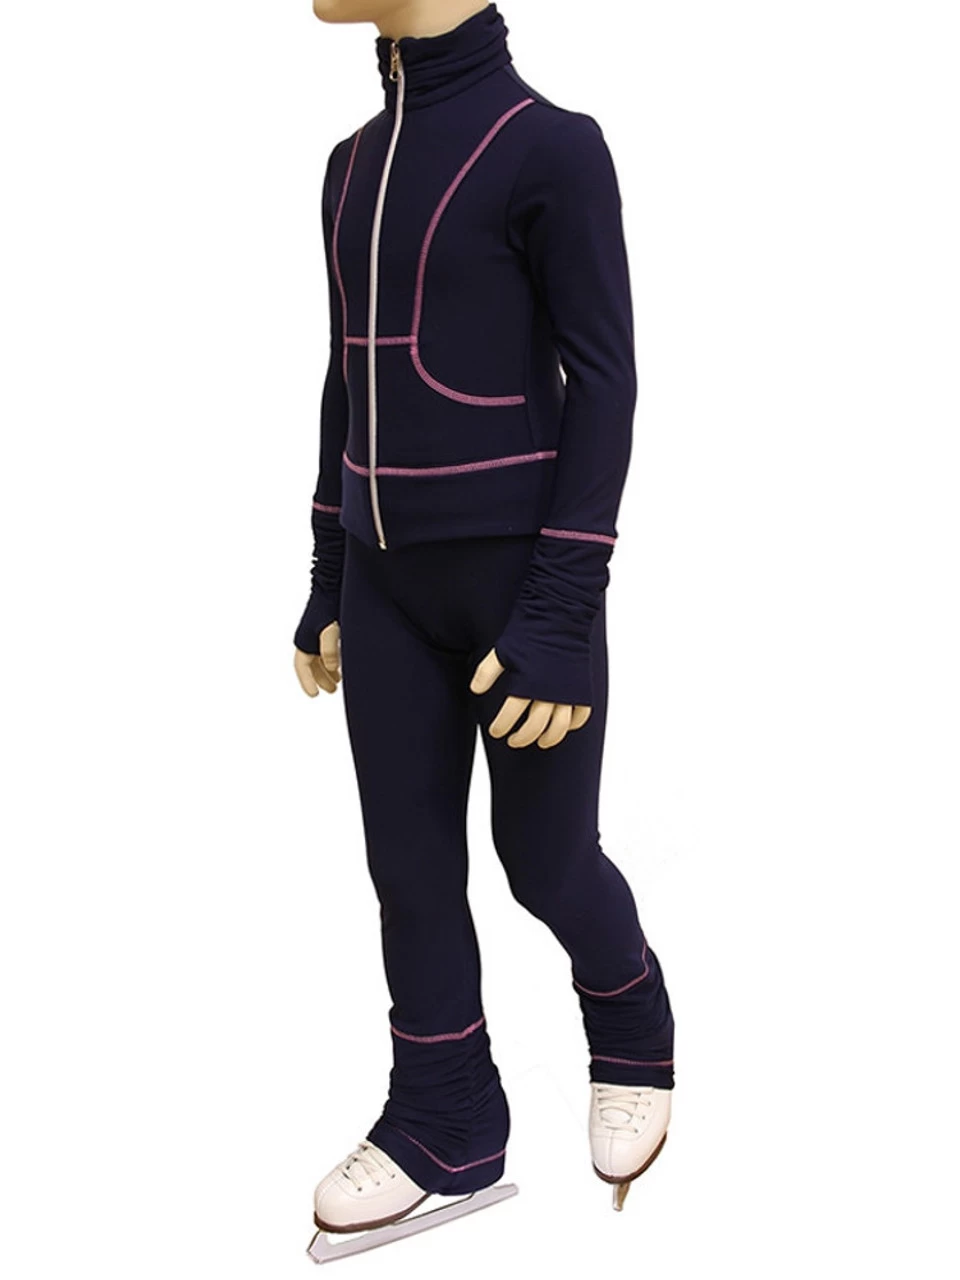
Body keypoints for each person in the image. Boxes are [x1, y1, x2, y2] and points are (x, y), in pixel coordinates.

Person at [293, 0, 675, 1243]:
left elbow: (606, 381)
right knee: (407, 868)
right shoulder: (350, 166)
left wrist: (563, 603)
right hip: (384, 584)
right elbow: (347, 373)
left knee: (544, 860)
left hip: (520, 581)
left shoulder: (550, 146)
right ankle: (445, 1111)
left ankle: (630, 1016)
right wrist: (327, 567)